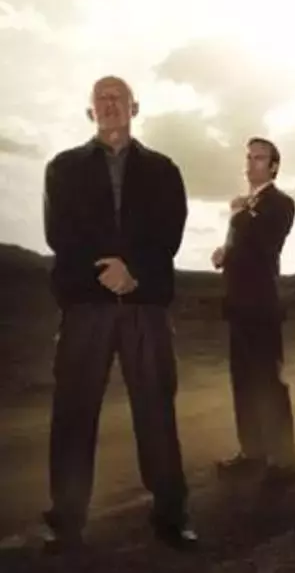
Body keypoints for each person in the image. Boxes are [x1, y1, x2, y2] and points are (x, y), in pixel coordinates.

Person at [40, 75, 196, 552]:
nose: (110, 104)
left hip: (144, 306)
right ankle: (66, 520)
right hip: (86, 306)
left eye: (118, 98)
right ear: (90, 111)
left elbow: (169, 232)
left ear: (134, 107)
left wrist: (135, 274)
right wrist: (106, 272)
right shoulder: (62, 168)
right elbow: (60, 234)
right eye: (101, 99)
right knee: (74, 413)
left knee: (156, 412)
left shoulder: (163, 170)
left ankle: (171, 515)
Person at [211, 137, 295, 486]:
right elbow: (243, 248)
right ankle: (252, 452)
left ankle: (284, 461)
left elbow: (265, 244)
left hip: (262, 306)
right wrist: (224, 252)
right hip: (239, 305)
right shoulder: (246, 207)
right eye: (248, 157)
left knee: (268, 382)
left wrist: (239, 216)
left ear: (274, 166)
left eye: (259, 158)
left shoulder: (281, 203)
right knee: (244, 381)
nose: (250, 163)